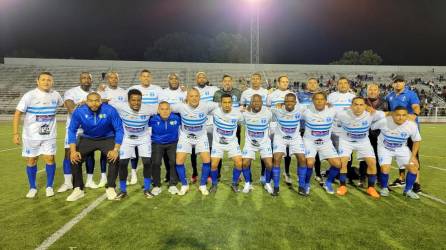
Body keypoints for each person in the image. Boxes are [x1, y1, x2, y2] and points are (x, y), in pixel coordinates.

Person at [12, 72, 63, 198]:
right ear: (38, 81)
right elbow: (17, 114)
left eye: (49, 80)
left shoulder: (56, 95)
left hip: (49, 135)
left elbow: (66, 105)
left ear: (52, 82)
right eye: (43, 79)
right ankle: (32, 187)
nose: (46, 82)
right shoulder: (30, 95)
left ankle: (49, 186)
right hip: (31, 136)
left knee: (50, 159)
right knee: (31, 160)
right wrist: (15, 133)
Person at [66, 92, 123, 201]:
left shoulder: (110, 110)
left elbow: (119, 129)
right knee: (73, 156)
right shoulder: (79, 111)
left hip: (107, 137)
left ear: (101, 101)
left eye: (97, 100)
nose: (94, 103)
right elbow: (72, 130)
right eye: (91, 101)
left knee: (115, 157)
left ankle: (111, 187)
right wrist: (73, 151)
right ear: (86, 102)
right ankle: (78, 188)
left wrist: (116, 149)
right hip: (87, 138)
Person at [171, 88, 219, 196]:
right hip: (185, 137)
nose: (194, 98)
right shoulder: (180, 106)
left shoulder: (206, 106)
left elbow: (219, 105)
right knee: (179, 161)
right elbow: (165, 107)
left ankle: (202, 185)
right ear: (187, 97)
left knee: (206, 160)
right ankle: (184, 185)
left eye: (196, 96)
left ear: (199, 97)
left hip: (201, 137)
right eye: (191, 96)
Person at [335, 97, 385, 198]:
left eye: (361, 105)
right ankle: (342, 186)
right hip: (346, 141)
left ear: (365, 106)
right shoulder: (342, 114)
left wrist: (411, 116)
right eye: (356, 104)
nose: (358, 107)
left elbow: (387, 114)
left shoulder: (371, 113)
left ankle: (371, 188)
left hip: (363, 141)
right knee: (342, 162)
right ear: (351, 106)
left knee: (372, 162)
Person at [57, 72, 96, 193]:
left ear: (91, 81)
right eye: (83, 78)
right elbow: (71, 109)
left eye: (88, 78)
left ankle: (89, 180)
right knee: (68, 154)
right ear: (80, 80)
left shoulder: (94, 94)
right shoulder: (71, 92)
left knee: (90, 154)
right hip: (73, 129)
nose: (86, 80)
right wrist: (85, 104)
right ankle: (68, 182)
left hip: (89, 129)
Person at [371, 106, 421, 199]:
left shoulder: (412, 125)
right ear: (393, 115)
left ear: (407, 116)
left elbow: (416, 141)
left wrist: (413, 156)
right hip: (385, 148)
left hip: (401, 148)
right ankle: (384, 188)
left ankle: (408, 191)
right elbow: (372, 127)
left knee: (414, 167)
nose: (401, 117)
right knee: (385, 169)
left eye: (403, 115)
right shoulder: (384, 121)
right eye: (398, 115)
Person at [115, 89, 156, 200]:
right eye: (133, 100)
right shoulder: (120, 106)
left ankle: (147, 189)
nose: (136, 103)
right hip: (127, 138)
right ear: (128, 101)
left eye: (138, 100)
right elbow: (105, 102)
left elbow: (164, 108)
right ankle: (123, 190)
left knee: (147, 162)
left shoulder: (149, 108)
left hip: (144, 138)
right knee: (123, 163)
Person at [385, 75, 422, 193]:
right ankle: (401, 179)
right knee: (399, 154)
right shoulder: (389, 96)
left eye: (400, 81)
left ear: (404, 83)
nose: (398, 84)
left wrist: (415, 115)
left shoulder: (411, 94)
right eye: (395, 82)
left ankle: (416, 182)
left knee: (414, 155)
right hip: (396, 130)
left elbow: (416, 106)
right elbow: (388, 112)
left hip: (409, 130)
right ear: (392, 84)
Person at [301, 92, 341, 195]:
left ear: (326, 101)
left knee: (337, 164)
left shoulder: (332, 110)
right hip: (310, 142)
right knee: (309, 163)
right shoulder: (306, 111)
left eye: (322, 99)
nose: (319, 101)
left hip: (326, 143)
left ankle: (327, 183)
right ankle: (306, 184)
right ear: (313, 101)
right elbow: (291, 110)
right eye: (317, 99)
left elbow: (349, 114)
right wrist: (281, 105)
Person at [127, 69, 163, 185]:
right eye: (144, 76)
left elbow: (162, 105)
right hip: (137, 122)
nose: (146, 78)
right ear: (140, 78)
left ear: (150, 78)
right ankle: (133, 174)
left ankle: (151, 174)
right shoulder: (132, 89)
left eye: (148, 76)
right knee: (134, 149)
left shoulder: (157, 89)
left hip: (152, 123)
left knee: (150, 149)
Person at [96, 71, 127, 187]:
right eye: (111, 78)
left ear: (118, 79)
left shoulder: (124, 92)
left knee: (119, 150)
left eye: (115, 78)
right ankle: (103, 176)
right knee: (105, 152)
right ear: (108, 79)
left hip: (120, 125)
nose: (113, 80)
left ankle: (119, 175)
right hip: (106, 125)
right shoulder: (102, 91)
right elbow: (96, 105)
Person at [271, 93, 306, 196]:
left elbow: (314, 107)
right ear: (284, 102)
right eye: (287, 101)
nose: (289, 103)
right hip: (280, 137)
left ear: (295, 102)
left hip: (295, 138)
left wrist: (328, 104)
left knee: (302, 159)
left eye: (292, 101)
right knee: (276, 158)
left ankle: (301, 186)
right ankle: (276, 187)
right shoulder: (277, 110)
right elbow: (263, 109)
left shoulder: (301, 108)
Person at [209, 94, 243, 193]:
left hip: (232, 142)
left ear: (232, 103)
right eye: (225, 102)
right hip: (217, 143)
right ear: (221, 103)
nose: (227, 105)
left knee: (239, 162)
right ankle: (214, 184)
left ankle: (234, 183)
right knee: (214, 165)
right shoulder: (215, 111)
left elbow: (244, 122)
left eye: (229, 102)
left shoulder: (237, 113)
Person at [241, 94, 274, 195]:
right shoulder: (245, 114)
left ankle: (267, 183)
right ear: (250, 103)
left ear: (262, 103)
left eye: (258, 101)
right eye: (254, 101)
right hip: (250, 143)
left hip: (264, 143)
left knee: (269, 164)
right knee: (245, 163)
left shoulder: (268, 113)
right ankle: (247, 183)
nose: (256, 103)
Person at [190, 72, 219, 183]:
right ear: (196, 79)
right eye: (199, 77)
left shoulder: (213, 89)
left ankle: (209, 174)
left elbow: (222, 96)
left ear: (206, 79)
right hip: (196, 125)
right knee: (193, 151)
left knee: (210, 149)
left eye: (203, 77)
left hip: (211, 124)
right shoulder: (192, 91)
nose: (201, 79)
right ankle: (195, 173)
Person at [240, 72, 269, 184]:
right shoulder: (246, 92)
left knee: (264, 150)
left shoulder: (265, 92)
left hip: (263, 123)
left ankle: (263, 174)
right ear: (251, 80)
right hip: (250, 123)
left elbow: (268, 106)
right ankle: (249, 176)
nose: (255, 80)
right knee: (249, 146)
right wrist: (245, 109)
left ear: (260, 80)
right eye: (253, 79)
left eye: (257, 79)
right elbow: (241, 105)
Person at [358, 83, 389, 186]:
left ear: (378, 91)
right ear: (367, 91)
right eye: (370, 90)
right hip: (364, 133)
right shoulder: (361, 101)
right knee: (364, 157)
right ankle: (362, 179)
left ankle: (379, 179)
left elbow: (388, 117)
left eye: (375, 90)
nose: (372, 91)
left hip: (380, 134)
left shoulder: (384, 102)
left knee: (379, 156)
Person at [327, 77, 356, 184]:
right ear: (337, 85)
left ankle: (345, 175)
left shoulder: (353, 97)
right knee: (334, 153)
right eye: (340, 83)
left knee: (347, 153)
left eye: (345, 83)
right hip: (334, 129)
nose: (343, 85)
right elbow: (327, 111)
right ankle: (335, 174)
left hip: (348, 130)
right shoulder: (331, 96)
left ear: (348, 85)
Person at [267, 75, 296, 185]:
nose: (285, 83)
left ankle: (287, 172)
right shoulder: (271, 95)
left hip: (287, 125)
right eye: (283, 81)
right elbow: (268, 109)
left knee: (287, 150)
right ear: (278, 83)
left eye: (286, 81)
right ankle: (271, 173)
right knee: (273, 150)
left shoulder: (293, 95)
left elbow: (295, 109)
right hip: (274, 125)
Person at [159, 73, 186, 183]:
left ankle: (178, 174)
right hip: (167, 122)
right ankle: (168, 173)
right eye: (171, 79)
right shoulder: (163, 92)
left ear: (179, 80)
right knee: (166, 149)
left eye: (176, 79)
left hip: (180, 123)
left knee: (179, 150)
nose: (174, 81)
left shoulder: (184, 92)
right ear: (168, 81)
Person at [213, 74, 243, 177]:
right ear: (222, 82)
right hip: (221, 126)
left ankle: (237, 175)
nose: (227, 82)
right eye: (225, 81)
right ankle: (218, 174)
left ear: (232, 82)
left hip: (234, 127)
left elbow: (242, 106)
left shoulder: (238, 93)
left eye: (229, 81)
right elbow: (215, 109)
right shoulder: (217, 94)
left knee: (235, 150)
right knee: (219, 152)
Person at [150, 101, 181, 195]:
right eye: (162, 109)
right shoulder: (152, 119)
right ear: (158, 110)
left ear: (170, 110)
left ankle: (172, 185)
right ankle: (156, 185)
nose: (165, 111)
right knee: (155, 163)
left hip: (172, 143)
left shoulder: (176, 118)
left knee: (173, 162)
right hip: (157, 143)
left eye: (167, 109)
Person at [298, 78, 323, 183]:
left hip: (317, 128)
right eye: (310, 83)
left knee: (317, 152)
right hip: (303, 127)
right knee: (301, 152)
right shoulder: (299, 95)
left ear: (317, 84)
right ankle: (301, 174)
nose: (312, 85)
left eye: (314, 83)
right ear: (307, 84)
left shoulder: (322, 96)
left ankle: (317, 173)